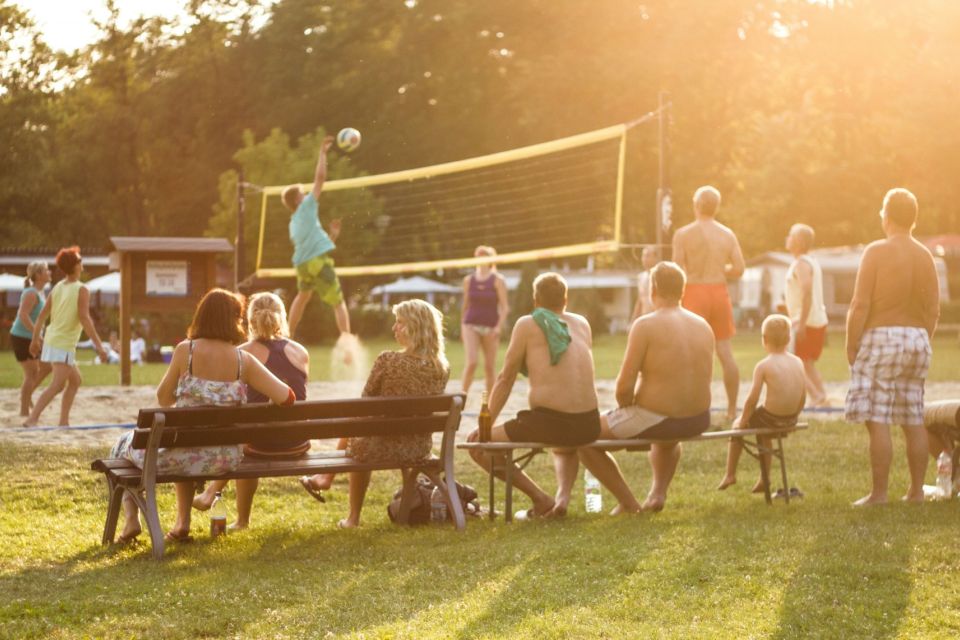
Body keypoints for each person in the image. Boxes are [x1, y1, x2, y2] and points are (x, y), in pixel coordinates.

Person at [110, 289, 294, 544]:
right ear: (234, 320)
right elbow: (287, 397)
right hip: (223, 460)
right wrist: (266, 404)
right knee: (185, 447)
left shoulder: (186, 352)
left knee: (122, 444)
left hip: (181, 455)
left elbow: (164, 399)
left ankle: (133, 520)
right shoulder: (244, 360)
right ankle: (181, 524)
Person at [582, 262, 715, 512]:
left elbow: (624, 388)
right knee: (667, 435)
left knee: (582, 435)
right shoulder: (703, 325)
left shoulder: (645, 325)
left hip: (661, 419)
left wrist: (627, 409)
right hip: (697, 418)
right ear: (682, 290)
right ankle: (657, 494)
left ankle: (629, 504)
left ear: (653, 289)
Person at [466, 273, 601, 519]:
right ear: (565, 299)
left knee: (477, 447)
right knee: (565, 446)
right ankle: (561, 500)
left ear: (535, 300)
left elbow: (506, 379)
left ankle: (541, 499)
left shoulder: (528, 324)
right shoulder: (581, 323)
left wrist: (485, 426)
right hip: (589, 423)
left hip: (551, 422)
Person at [845, 188, 940, 506]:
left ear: (886, 216)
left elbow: (860, 304)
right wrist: (920, 338)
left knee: (878, 416)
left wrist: (851, 343)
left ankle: (879, 494)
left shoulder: (876, 251)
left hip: (882, 336)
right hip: (917, 339)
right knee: (913, 416)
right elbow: (933, 310)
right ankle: (915, 492)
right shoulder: (925, 254)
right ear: (913, 218)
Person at [193, 292, 310, 530]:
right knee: (251, 431)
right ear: (282, 317)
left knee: (245, 435)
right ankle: (213, 496)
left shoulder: (243, 352)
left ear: (249, 319)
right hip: (298, 443)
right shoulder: (300, 351)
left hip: (260, 446)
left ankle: (234, 513)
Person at [337, 299, 450, 528]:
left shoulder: (388, 360)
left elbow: (365, 403)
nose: (394, 328)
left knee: (360, 431)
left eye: (399, 323)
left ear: (415, 327)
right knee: (364, 429)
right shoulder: (441, 368)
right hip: (417, 447)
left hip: (380, 445)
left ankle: (353, 517)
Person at [672, 186, 745, 420]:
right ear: (717, 207)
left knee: (691, 354)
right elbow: (739, 269)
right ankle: (732, 410)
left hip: (694, 290)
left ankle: (692, 409)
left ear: (696, 205)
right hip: (718, 290)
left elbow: (676, 270)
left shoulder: (683, 234)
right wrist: (720, 268)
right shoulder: (727, 234)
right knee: (725, 352)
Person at [718, 314, 806, 491]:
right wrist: (795, 416)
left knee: (737, 427)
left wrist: (742, 421)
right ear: (789, 339)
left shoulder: (764, 365)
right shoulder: (798, 362)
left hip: (771, 418)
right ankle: (764, 480)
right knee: (764, 435)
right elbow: (803, 395)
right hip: (790, 418)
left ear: (764, 339)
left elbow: (752, 399)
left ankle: (730, 474)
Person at [23, 247, 108, 427]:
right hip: (63, 343)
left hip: (53, 340)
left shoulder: (57, 288)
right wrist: (99, 347)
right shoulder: (82, 289)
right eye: (80, 259)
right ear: (76, 265)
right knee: (57, 385)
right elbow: (85, 319)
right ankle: (32, 419)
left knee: (75, 381)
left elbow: (41, 318)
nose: (81, 262)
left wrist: (34, 341)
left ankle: (63, 421)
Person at [283, 135, 353, 354]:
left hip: (302, 264)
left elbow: (313, 249)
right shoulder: (306, 208)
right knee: (338, 303)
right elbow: (320, 178)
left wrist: (332, 236)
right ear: (297, 200)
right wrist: (322, 153)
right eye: (303, 193)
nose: (307, 195)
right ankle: (347, 346)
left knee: (302, 297)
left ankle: (287, 336)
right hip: (315, 261)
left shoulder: (293, 223)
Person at [785, 223, 829, 407]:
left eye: (790, 235)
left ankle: (815, 397)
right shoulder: (810, 261)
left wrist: (801, 324)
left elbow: (807, 292)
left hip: (805, 321)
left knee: (796, 364)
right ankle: (821, 395)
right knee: (807, 363)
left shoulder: (801, 264)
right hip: (815, 319)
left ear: (798, 242)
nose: (787, 238)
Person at [461, 245, 509, 395]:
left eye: (484, 257)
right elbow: (465, 305)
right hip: (471, 324)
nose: (480, 260)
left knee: (489, 367)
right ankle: (461, 397)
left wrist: (498, 327)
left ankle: (490, 405)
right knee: (472, 362)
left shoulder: (497, 280)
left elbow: (505, 307)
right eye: (478, 257)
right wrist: (462, 325)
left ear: (490, 260)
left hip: (491, 326)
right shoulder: (469, 280)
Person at [10, 261, 52, 417]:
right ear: (39, 274)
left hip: (31, 337)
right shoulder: (30, 293)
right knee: (31, 373)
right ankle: (23, 410)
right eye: (47, 270)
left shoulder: (40, 292)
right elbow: (22, 315)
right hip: (22, 337)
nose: (50, 272)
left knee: (47, 367)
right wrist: (37, 334)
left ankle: (27, 396)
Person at [631, 245, 658, 321]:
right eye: (643, 256)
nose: (645, 259)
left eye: (648, 256)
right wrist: (632, 320)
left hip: (656, 319)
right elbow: (639, 301)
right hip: (644, 318)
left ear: (656, 258)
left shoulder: (660, 276)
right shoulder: (640, 277)